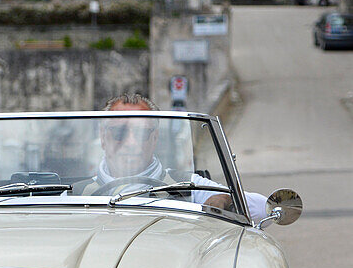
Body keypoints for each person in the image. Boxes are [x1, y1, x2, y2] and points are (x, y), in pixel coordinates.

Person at [83, 93, 268, 223]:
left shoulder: (186, 186)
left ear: (155, 138)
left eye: (141, 133)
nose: (131, 142)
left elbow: (264, 210)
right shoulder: (75, 192)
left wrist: (227, 200)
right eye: (119, 132)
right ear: (102, 137)